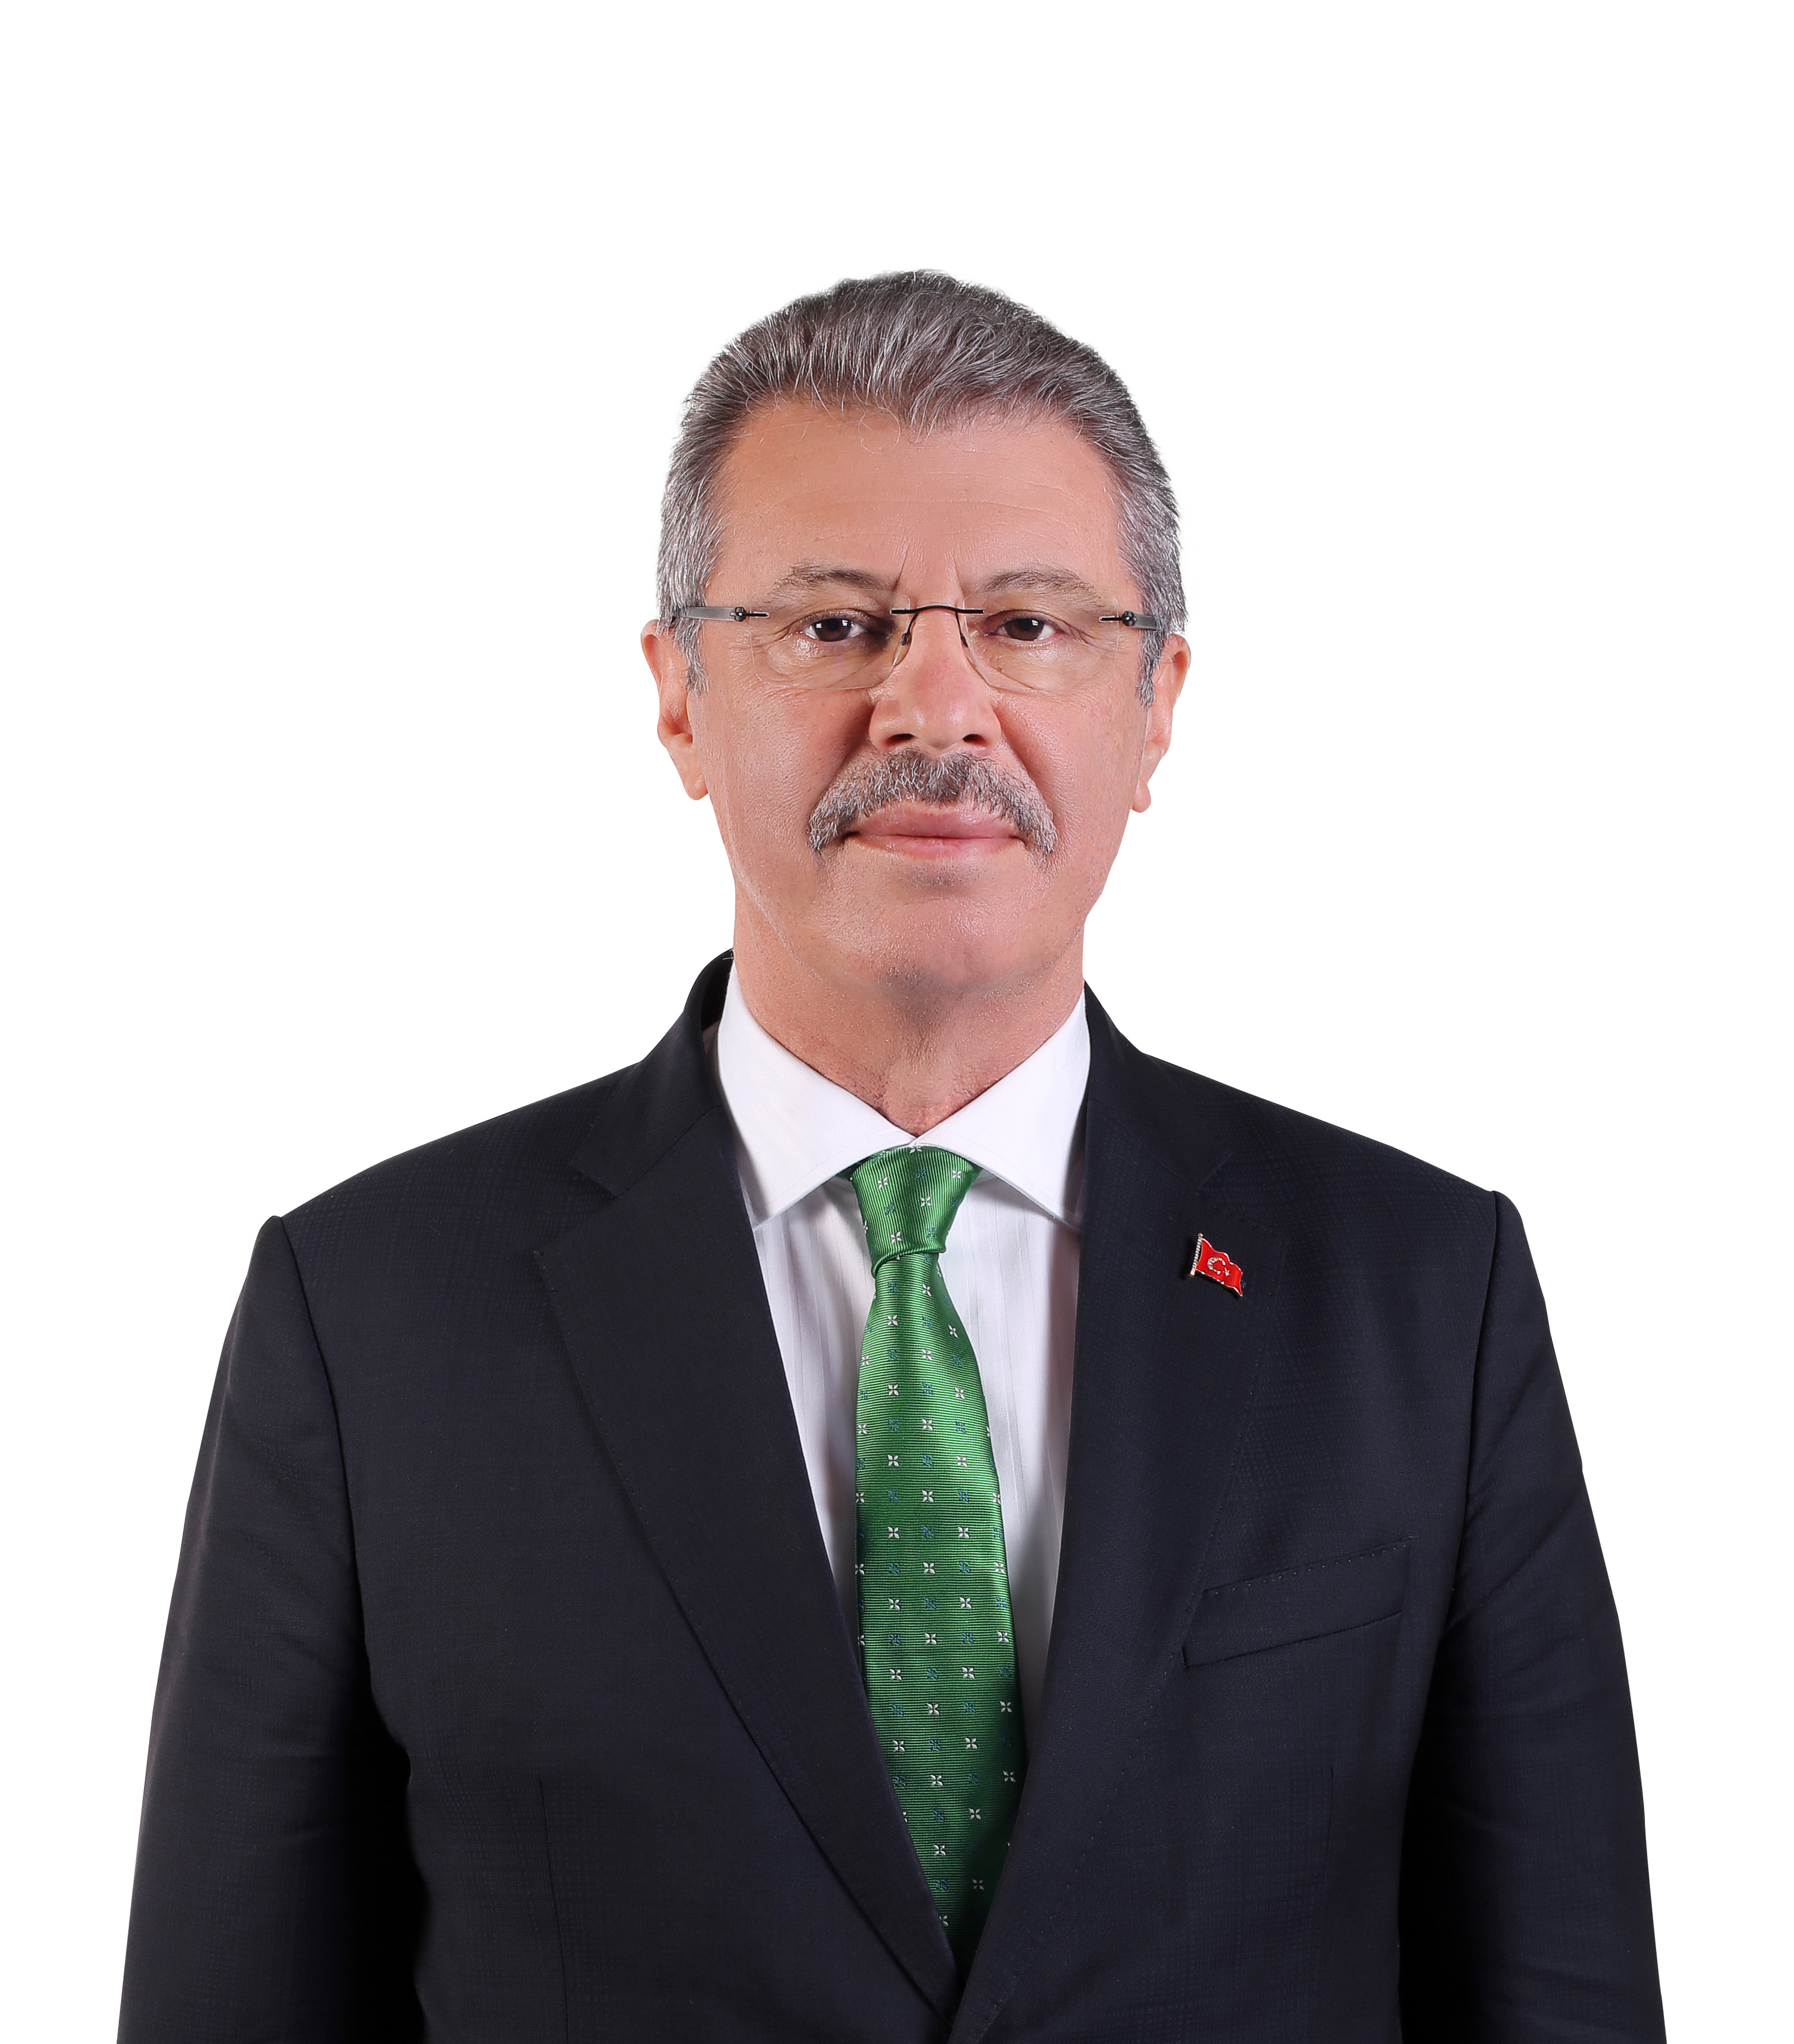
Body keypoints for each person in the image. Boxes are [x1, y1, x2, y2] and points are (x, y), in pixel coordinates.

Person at [119, 272, 1665, 2041]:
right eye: (836, 625)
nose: (934, 709)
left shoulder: (1421, 1296)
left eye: (1027, 624)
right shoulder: (371, 1314)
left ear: (1154, 704)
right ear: (679, 696)